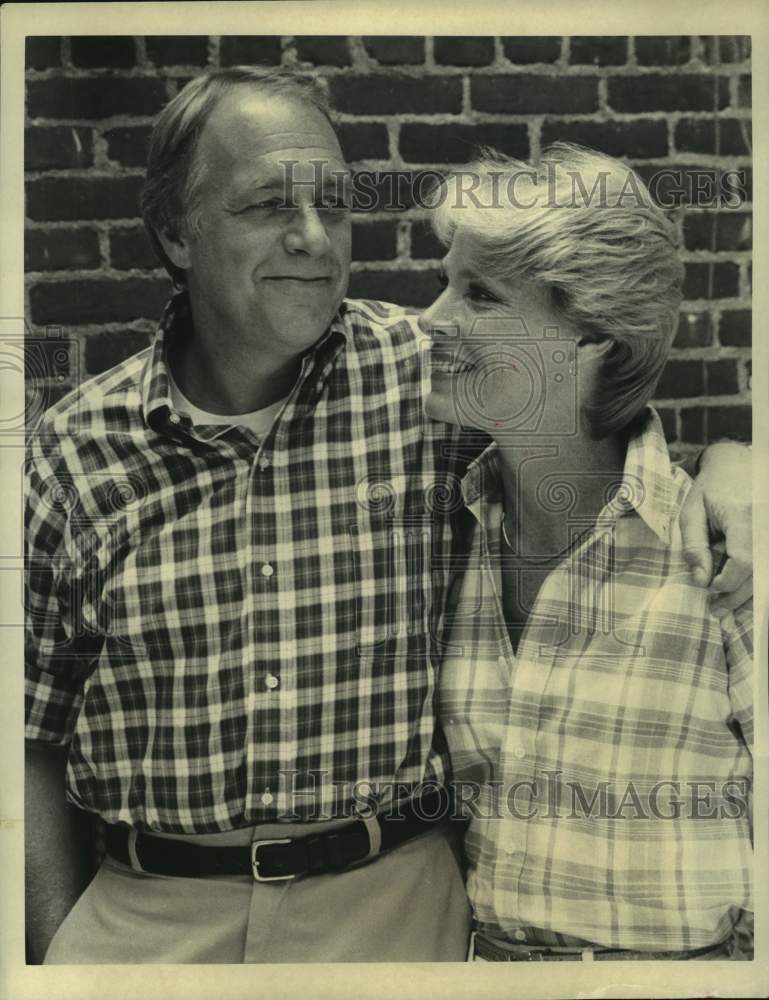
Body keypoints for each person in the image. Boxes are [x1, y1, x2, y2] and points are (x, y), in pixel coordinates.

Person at [24, 68, 751, 965]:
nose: (312, 238)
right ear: (177, 231)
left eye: (334, 205)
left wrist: (734, 471)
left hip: (390, 917)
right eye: (265, 206)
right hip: (147, 917)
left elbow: (586, 420)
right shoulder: (75, 447)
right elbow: (31, 730)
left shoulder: (421, 376)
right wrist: (49, 949)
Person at [418, 144, 753, 962]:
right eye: (446, 280)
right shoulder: (449, 529)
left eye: (480, 295)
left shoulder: (722, 552)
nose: (431, 318)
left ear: (592, 340)